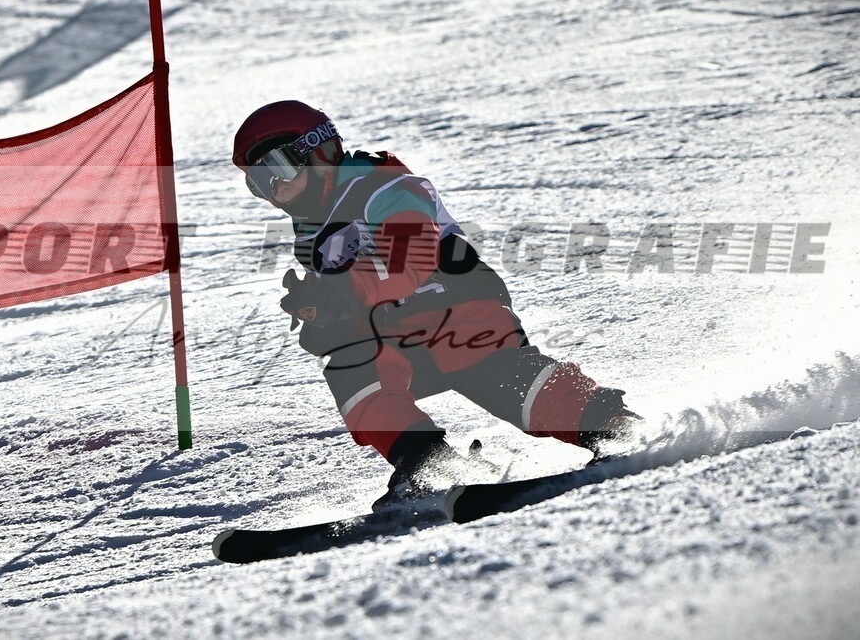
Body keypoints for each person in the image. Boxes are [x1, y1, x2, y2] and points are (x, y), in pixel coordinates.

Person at [232, 100, 641, 507]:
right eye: (259, 182)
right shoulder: (311, 234)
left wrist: (343, 295)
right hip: (395, 331)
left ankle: (611, 425)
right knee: (352, 371)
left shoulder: (383, 187)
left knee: (493, 375)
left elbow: (412, 257)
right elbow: (349, 304)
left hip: (456, 304)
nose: (275, 188)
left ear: (319, 150)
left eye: (278, 168)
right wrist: (323, 318)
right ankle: (431, 467)